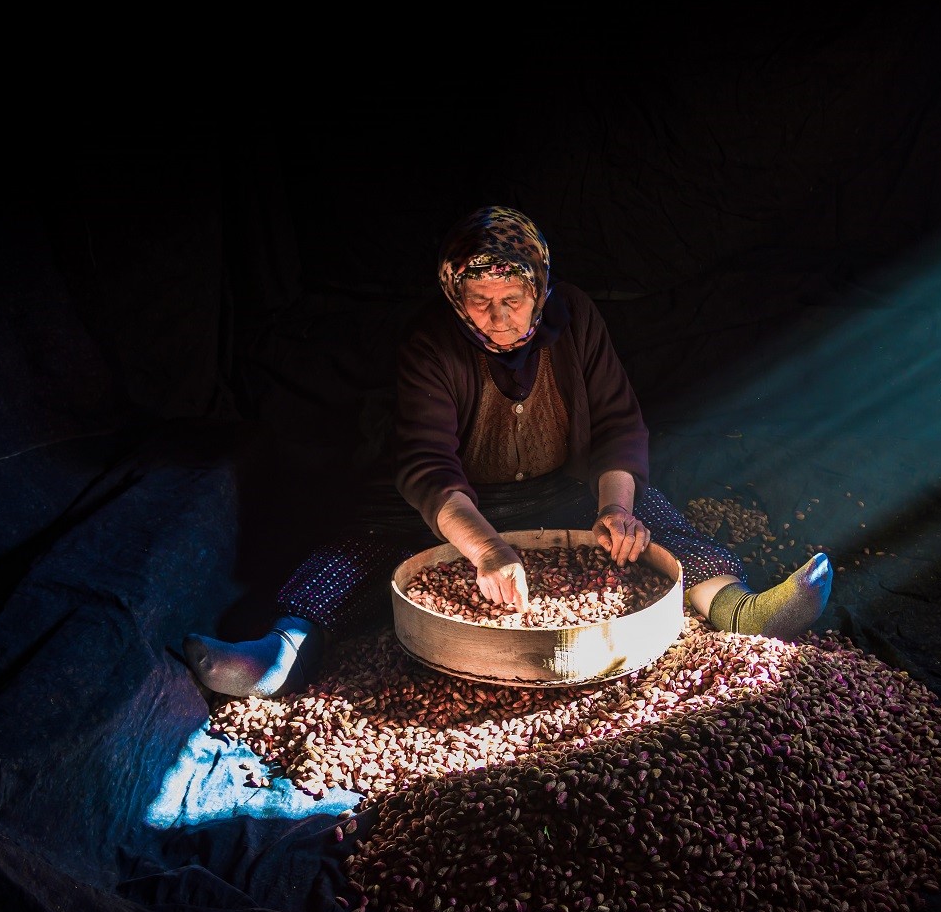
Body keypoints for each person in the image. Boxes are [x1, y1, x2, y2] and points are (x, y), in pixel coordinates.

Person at [183, 206, 831, 698]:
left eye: (512, 301)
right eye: (480, 302)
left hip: (560, 488)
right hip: (451, 506)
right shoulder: (429, 345)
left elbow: (616, 421)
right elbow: (427, 464)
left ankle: (741, 607)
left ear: (540, 291)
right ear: (454, 298)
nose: (497, 319)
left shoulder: (575, 319)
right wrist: (487, 548)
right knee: (354, 556)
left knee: (656, 518)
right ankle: (280, 652)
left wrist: (615, 507)